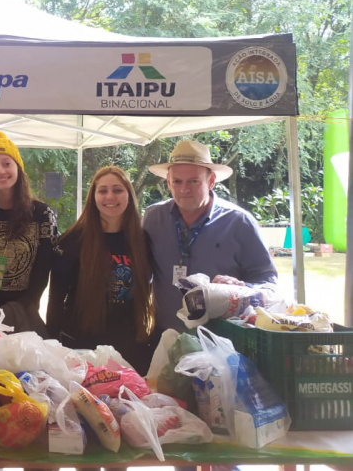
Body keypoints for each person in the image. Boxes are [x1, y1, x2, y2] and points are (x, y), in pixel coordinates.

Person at [144, 139, 277, 333]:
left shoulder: (239, 222)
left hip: (222, 343)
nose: (184, 189)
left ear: (211, 181)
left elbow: (268, 284)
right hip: (164, 336)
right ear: (168, 182)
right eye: (177, 181)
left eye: (193, 181)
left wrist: (240, 287)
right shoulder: (153, 218)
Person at [47, 166, 155, 375]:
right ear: (93, 197)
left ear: (129, 195)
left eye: (117, 190)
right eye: (102, 190)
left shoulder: (142, 240)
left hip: (129, 346)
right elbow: (56, 298)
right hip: (82, 347)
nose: (110, 197)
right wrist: (53, 345)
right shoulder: (73, 240)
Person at [0, 131, 58, 333]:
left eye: (6, 163)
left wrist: (24, 306)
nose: (0, 171)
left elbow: (44, 267)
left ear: (17, 167)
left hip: (23, 314)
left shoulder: (42, 214)